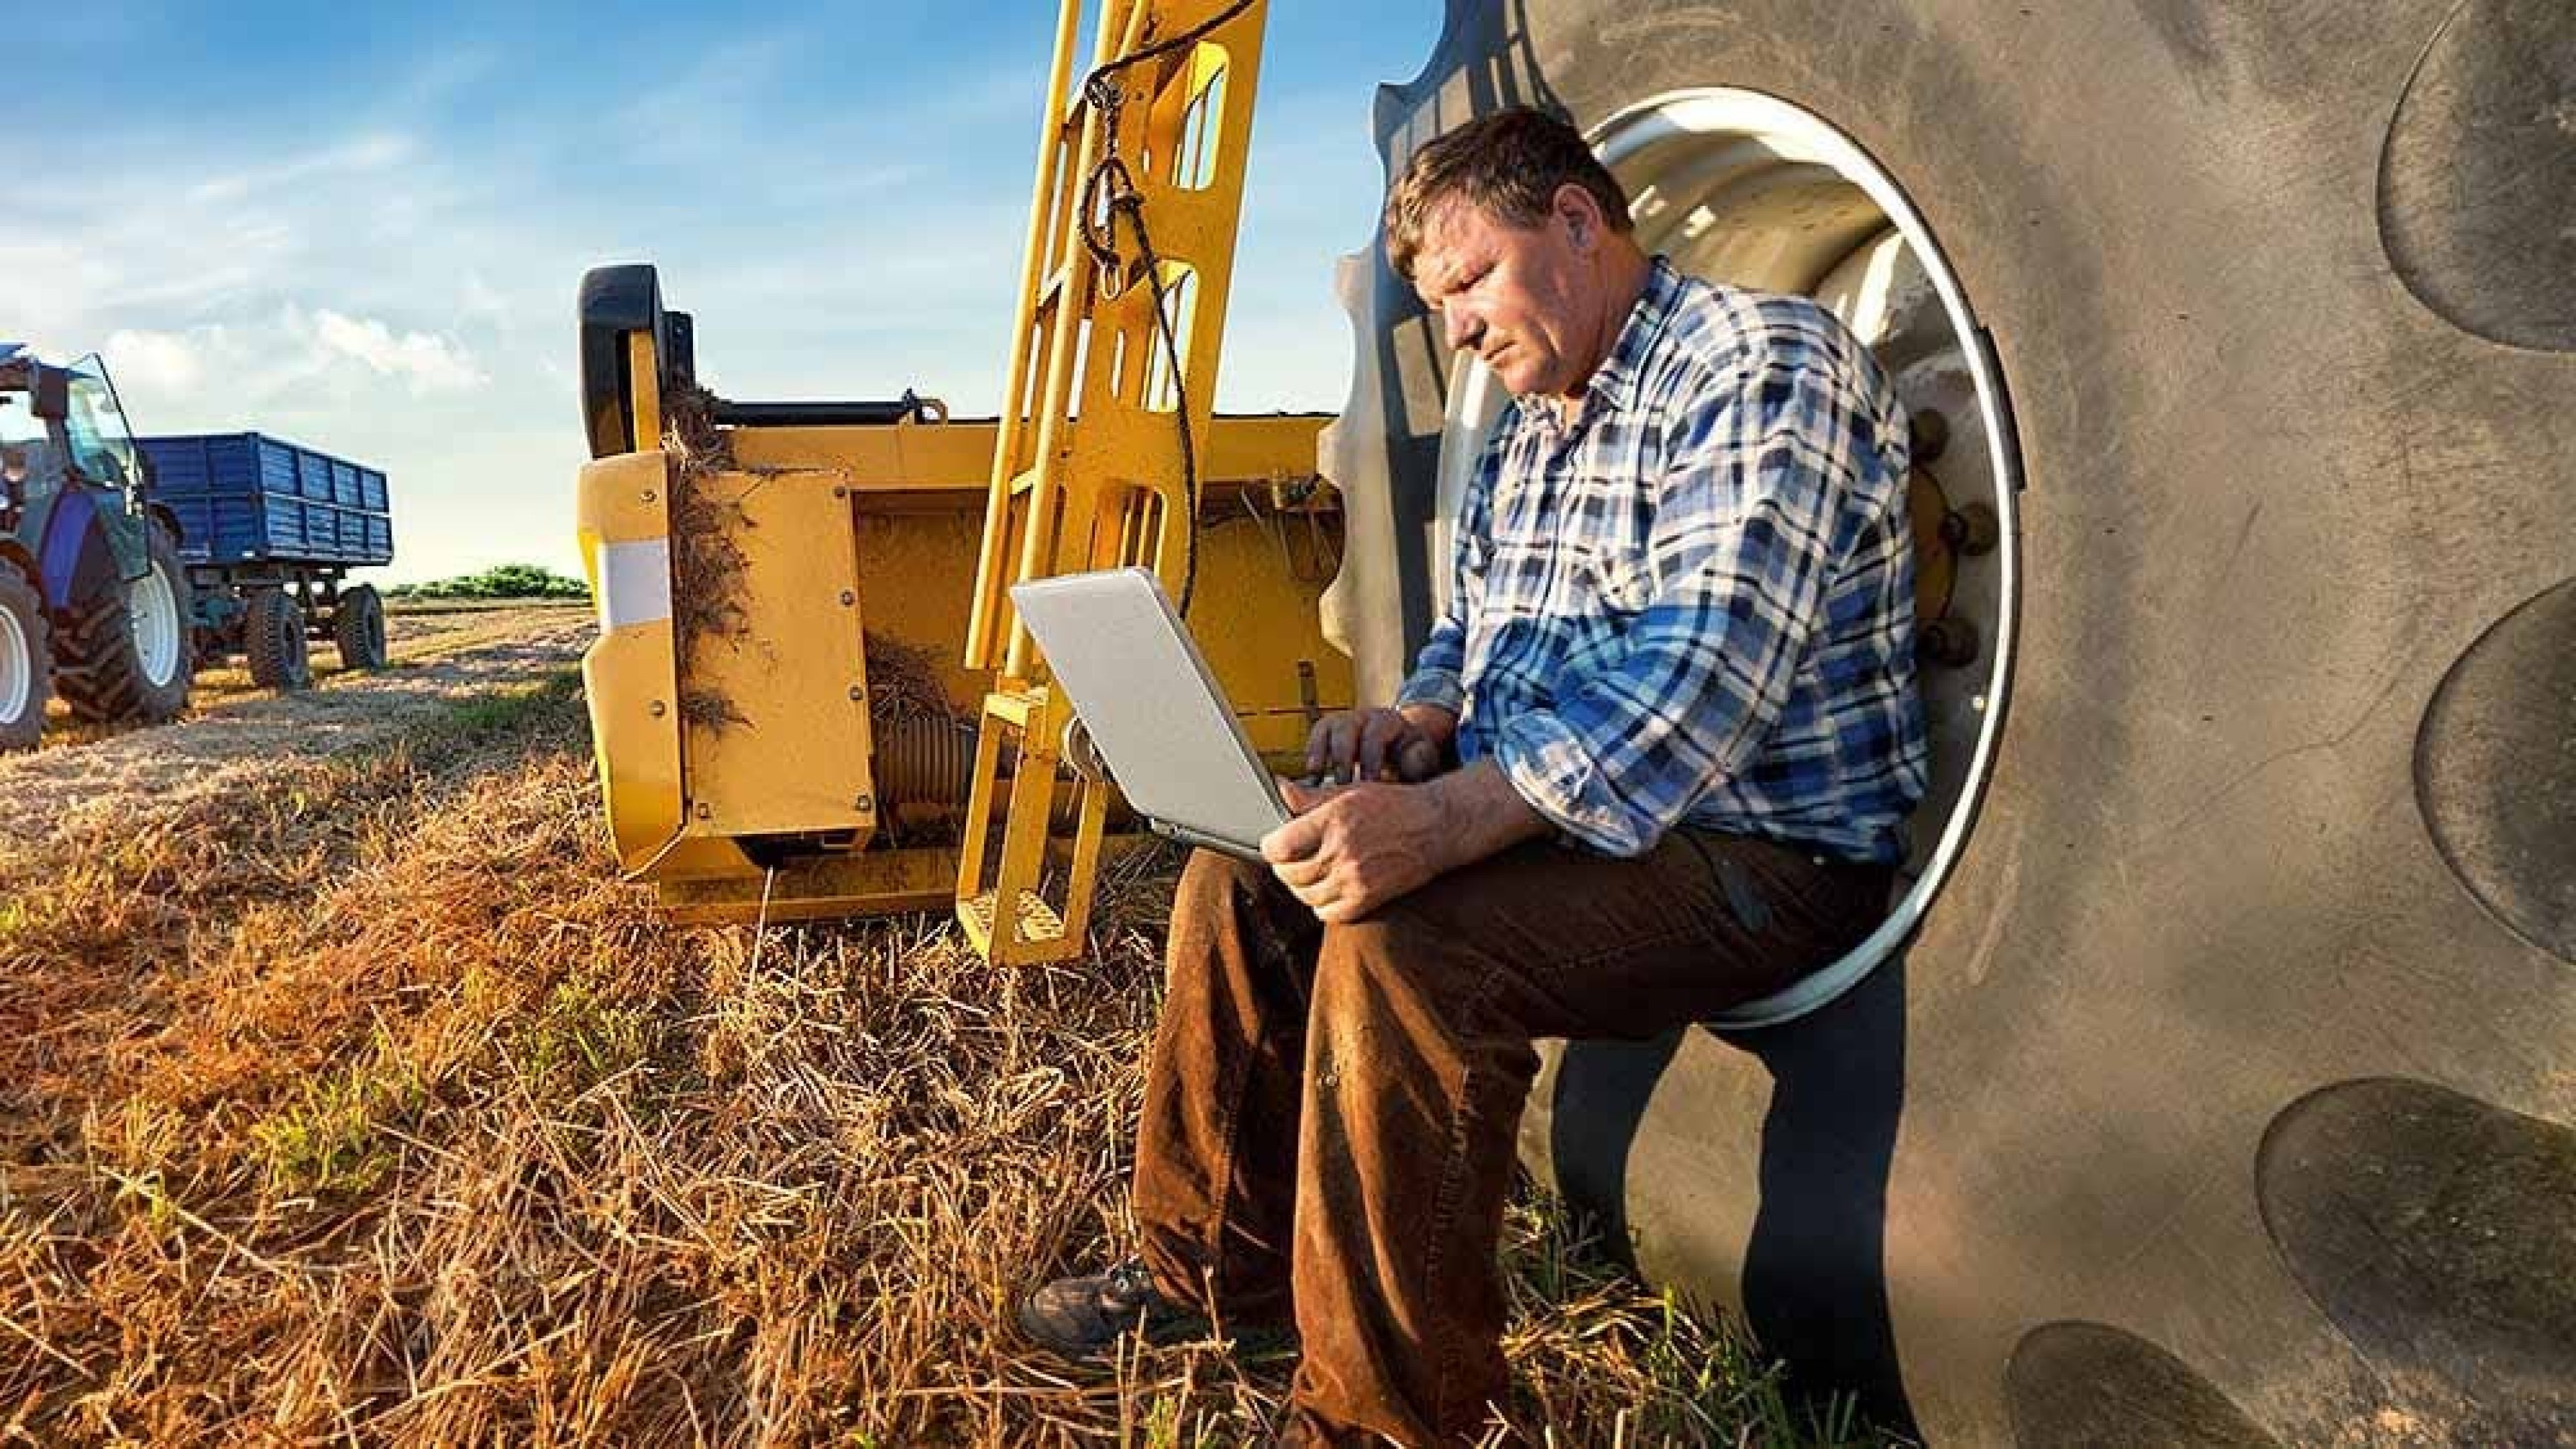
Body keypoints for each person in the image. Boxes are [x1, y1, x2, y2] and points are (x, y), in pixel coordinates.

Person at [1020, 107, 1928, 1447]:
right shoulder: (1540, 424)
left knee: (1403, 947)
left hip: (1761, 855)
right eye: (1438, 300)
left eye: (1467, 281)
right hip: (1582, 829)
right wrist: (1424, 720)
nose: (1454, 328)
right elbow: (1478, 621)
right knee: (1243, 877)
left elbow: (1699, 687)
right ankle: (1208, 1281)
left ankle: (1388, 1418)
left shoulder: (1759, 366)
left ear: (1574, 221)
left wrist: (1443, 823)